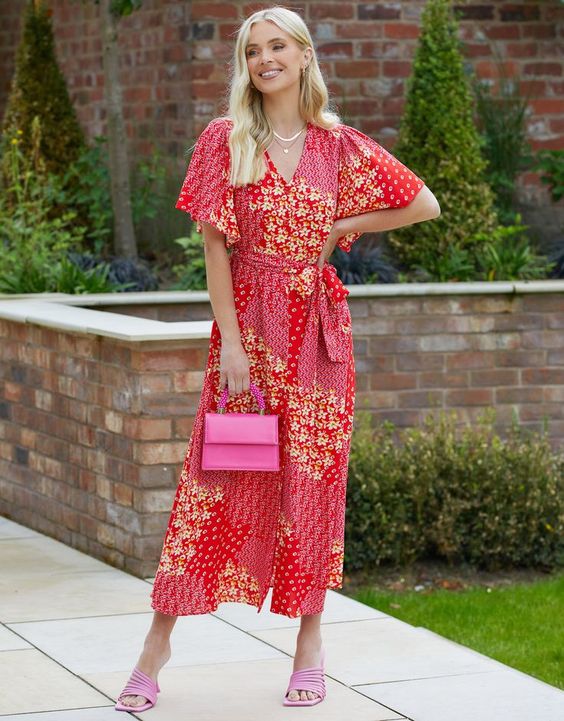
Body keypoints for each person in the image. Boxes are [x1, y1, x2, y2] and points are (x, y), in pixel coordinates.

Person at [115, 4, 440, 713]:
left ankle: (309, 644)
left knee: (311, 491)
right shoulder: (225, 139)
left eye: (277, 47)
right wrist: (230, 341)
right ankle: (155, 645)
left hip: (319, 343)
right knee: (216, 482)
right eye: (253, 50)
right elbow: (213, 248)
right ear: (247, 64)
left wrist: (347, 223)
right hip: (249, 340)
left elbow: (424, 203)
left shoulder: (337, 145)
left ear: (301, 55)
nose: (265, 59)